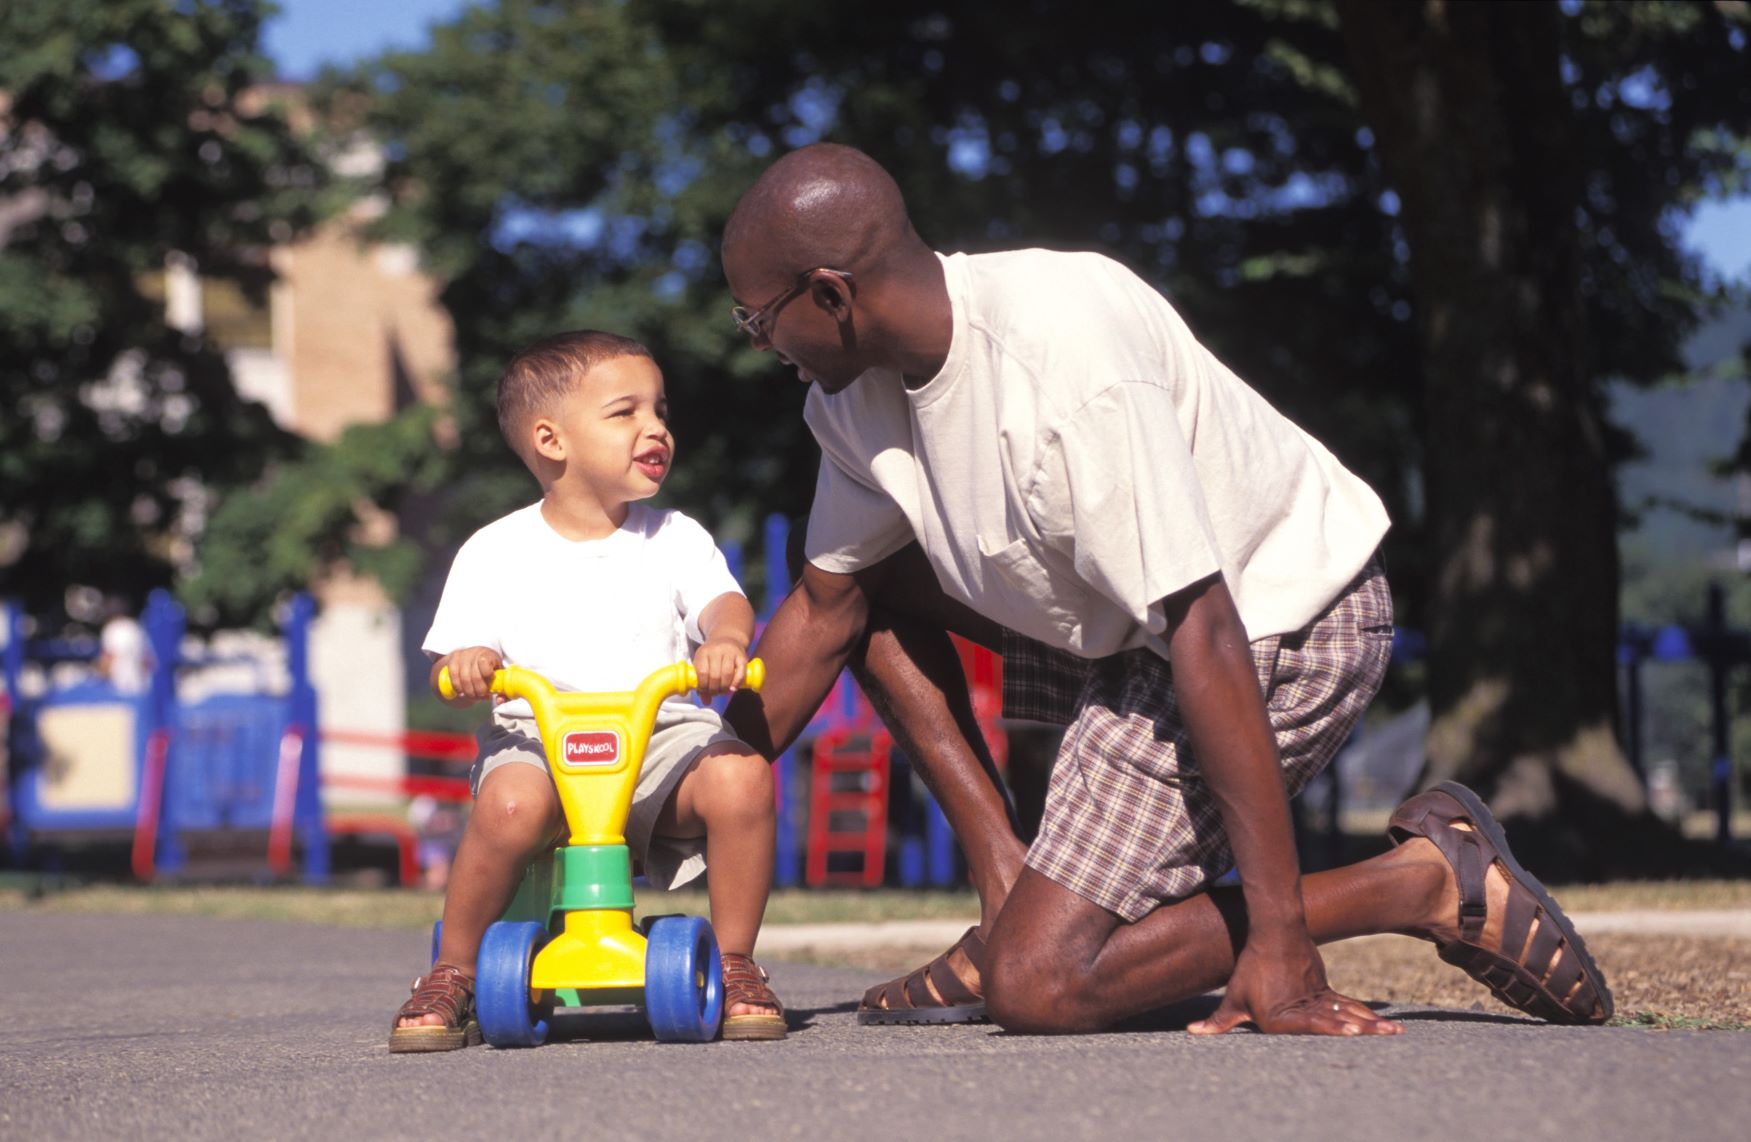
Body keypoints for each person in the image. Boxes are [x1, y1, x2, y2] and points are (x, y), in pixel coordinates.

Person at [720, 143, 1612, 1035]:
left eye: (755, 320)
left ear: (833, 295)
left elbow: (1207, 631)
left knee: (1040, 986)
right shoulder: (848, 400)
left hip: (1280, 618)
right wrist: (687, 786)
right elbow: (827, 609)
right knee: (869, 582)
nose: (757, 345)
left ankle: (1419, 882)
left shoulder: (1065, 359)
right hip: (1125, 624)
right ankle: (1006, 894)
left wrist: (1280, 938)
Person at [391, 330, 786, 1051]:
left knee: (742, 781)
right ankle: (452, 971)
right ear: (551, 439)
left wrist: (725, 641)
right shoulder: (495, 549)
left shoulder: (673, 536)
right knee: (507, 807)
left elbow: (721, 603)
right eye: (624, 412)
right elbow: (450, 665)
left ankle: (734, 964)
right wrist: (469, 662)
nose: (655, 427)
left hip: (659, 737)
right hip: (540, 741)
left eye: (660, 410)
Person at [96, 597, 150, 695]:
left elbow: (108, 658)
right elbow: (147, 661)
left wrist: (97, 680)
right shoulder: (136, 627)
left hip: (118, 686)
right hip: (139, 685)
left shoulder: (112, 628)